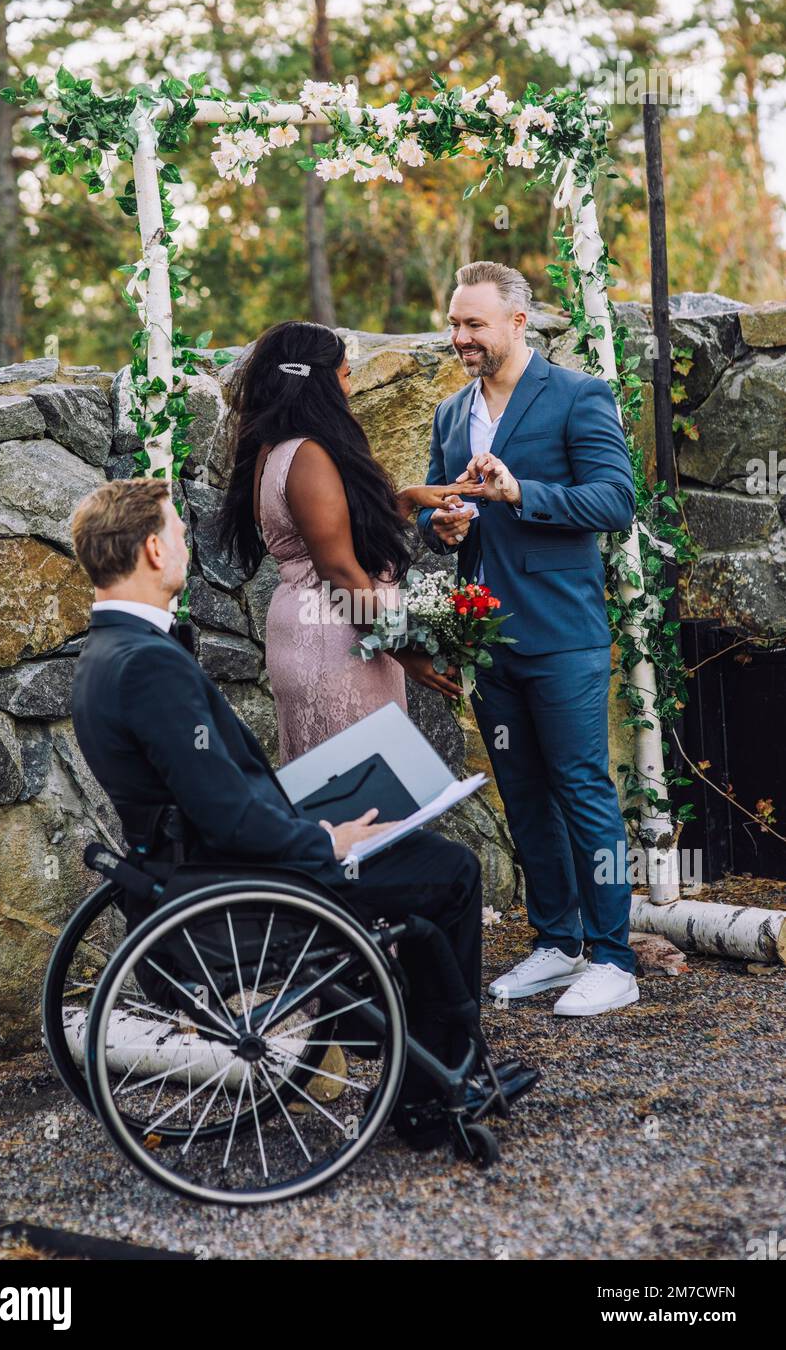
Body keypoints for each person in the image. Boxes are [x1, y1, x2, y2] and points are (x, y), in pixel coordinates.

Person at [69, 477, 534, 1148]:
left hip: (202, 866)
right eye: (175, 533)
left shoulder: (104, 655)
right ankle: (434, 1090)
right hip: (240, 885)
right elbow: (226, 814)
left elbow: (211, 797)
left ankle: (417, 1057)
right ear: (149, 549)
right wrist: (325, 839)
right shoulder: (146, 665)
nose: (184, 547)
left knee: (411, 847)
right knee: (451, 872)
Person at [417, 260, 640, 1019]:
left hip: (564, 635)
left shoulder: (579, 396)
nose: (460, 337)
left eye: (473, 323)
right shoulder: (451, 414)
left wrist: (523, 492)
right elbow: (434, 504)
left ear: (518, 322)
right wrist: (439, 525)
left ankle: (615, 956)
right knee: (524, 793)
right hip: (488, 641)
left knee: (585, 793)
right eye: (454, 323)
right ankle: (557, 942)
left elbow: (617, 500)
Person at [217, 320, 484, 761]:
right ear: (320, 380)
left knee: (337, 798)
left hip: (321, 633)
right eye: (344, 372)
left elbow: (328, 533)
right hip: (336, 641)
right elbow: (339, 572)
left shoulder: (275, 447)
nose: (349, 383)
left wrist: (407, 500)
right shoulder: (309, 456)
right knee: (363, 799)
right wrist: (406, 649)